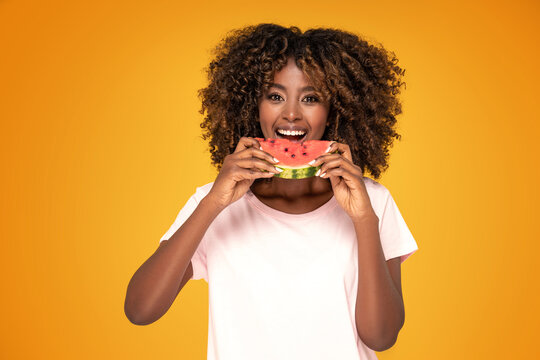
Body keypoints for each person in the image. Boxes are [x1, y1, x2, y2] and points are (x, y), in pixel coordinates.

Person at [124, 23, 419, 360]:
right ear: (253, 104)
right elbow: (140, 310)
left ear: (335, 109)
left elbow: (381, 337)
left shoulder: (372, 201)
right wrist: (211, 205)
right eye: (275, 96)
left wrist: (364, 219)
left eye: (311, 98)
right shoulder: (217, 202)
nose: (291, 113)